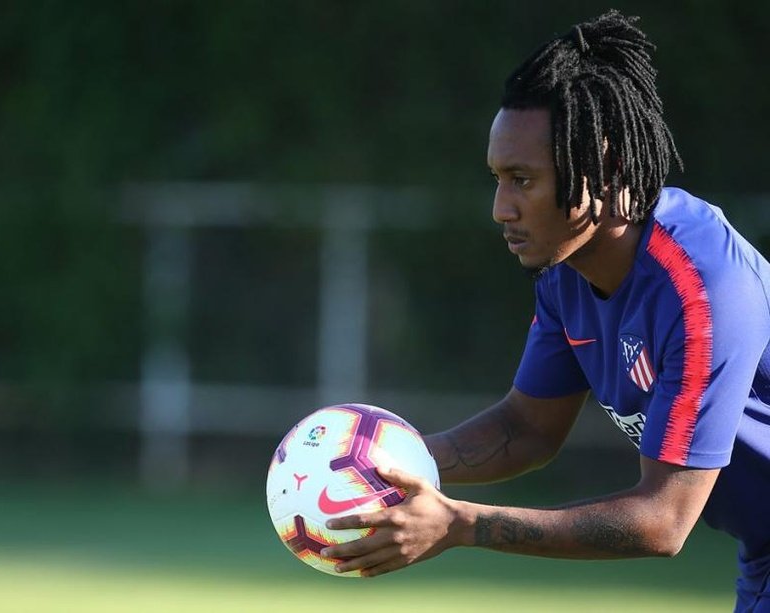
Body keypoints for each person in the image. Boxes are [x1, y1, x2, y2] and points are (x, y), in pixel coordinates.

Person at [319, 10, 770, 611]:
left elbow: (663, 520)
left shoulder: (702, 288)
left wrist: (462, 524)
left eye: (522, 180)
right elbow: (526, 428)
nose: (501, 209)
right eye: (497, 180)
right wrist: (386, 463)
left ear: (603, 170)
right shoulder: (567, 274)